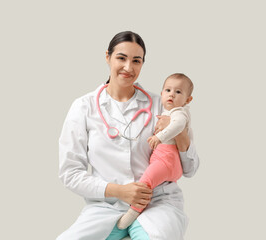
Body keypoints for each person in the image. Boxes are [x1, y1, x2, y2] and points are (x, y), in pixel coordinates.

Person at [56, 31, 200, 240]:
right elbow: (70, 173)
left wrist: (179, 131)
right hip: (106, 206)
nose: (128, 67)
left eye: (136, 61)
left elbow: (190, 169)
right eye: (121, 58)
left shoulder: (163, 103)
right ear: (108, 57)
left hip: (157, 204)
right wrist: (118, 191)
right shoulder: (83, 107)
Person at [117, 73, 194, 229]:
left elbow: (177, 126)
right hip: (165, 161)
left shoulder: (179, 113)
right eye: (168, 90)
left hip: (166, 161)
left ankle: (133, 213)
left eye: (178, 92)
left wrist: (158, 137)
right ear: (161, 94)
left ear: (187, 100)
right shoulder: (167, 111)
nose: (172, 94)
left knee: (144, 185)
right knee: (147, 182)